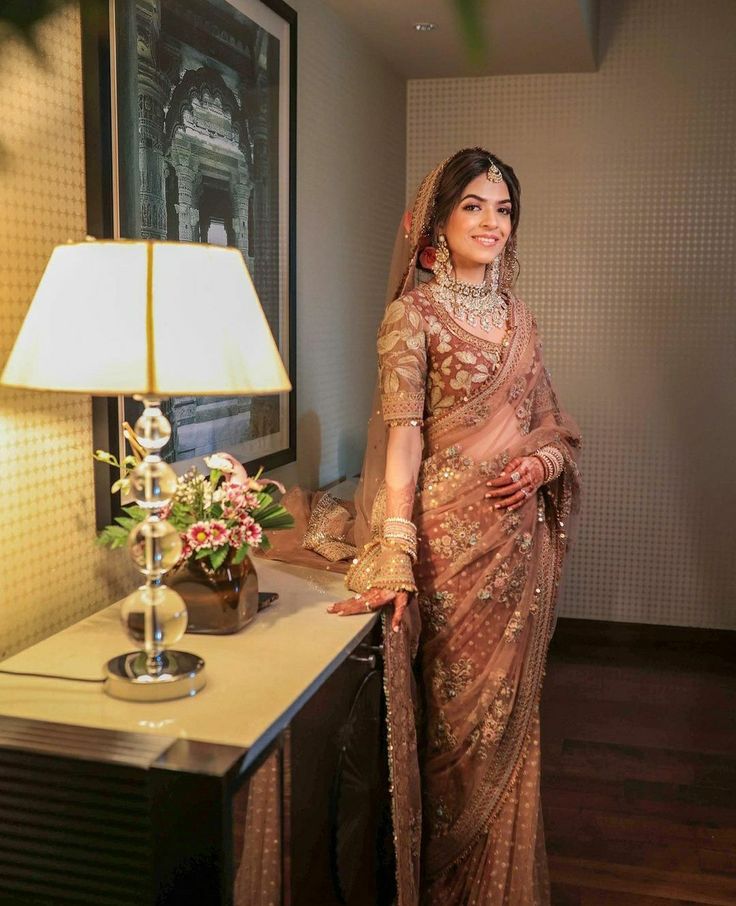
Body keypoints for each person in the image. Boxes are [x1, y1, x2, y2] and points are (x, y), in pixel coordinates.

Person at [265, 147, 583, 905]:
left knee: (513, 720)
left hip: (517, 551)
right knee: (453, 729)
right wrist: (395, 552)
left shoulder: (520, 317)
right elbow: (403, 434)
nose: (492, 223)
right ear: (437, 218)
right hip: (450, 552)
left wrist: (541, 466)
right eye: (474, 205)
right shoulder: (412, 315)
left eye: (503, 208)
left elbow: (550, 421)